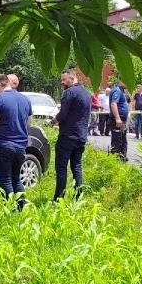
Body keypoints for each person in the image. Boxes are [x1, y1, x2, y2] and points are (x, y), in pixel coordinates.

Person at [0, 74, 32, 210]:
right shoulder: (25, 99)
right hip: (21, 145)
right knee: (16, 179)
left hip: (4, 144)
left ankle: (11, 208)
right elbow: (29, 122)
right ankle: (21, 206)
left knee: (5, 179)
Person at [49, 69, 91, 201]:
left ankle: (58, 198)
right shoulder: (86, 93)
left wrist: (53, 121)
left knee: (61, 167)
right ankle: (78, 196)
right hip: (81, 136)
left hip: (67, 136)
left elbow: (63, 114)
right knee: (77, 167)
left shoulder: (69, 92)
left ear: (72, 78)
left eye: (64, 80)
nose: (62, 82)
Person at [109, 81, 130, 161]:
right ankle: (115, 161)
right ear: (120, 81)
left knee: (123, 141)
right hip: (117, 120)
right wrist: (117, 118)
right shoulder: (117, 90)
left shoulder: (122, 91)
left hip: (122, 120)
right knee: (117, 142)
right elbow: (113, 104)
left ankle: (123, 158)